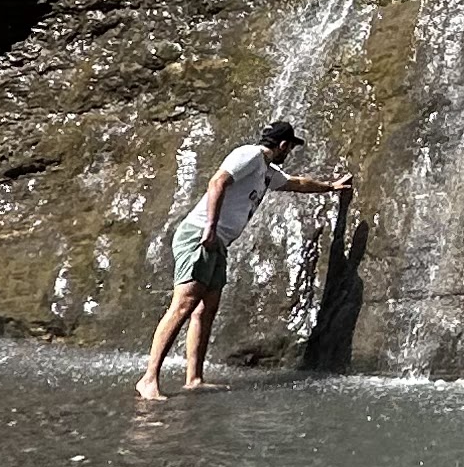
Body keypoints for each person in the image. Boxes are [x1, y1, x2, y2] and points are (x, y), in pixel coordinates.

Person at [137, 119, 350, 395]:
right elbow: (217, 182)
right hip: (200, 235)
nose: (289, 153)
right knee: (183, 305)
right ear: (283, 145)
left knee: (206, 309)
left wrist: (331, 187)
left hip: (218, 243)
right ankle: (149, 379)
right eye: (290, 148)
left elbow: (296, 183)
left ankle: (194, 378)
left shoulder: (267, 172)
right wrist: (210, 228)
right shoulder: (249, 155)